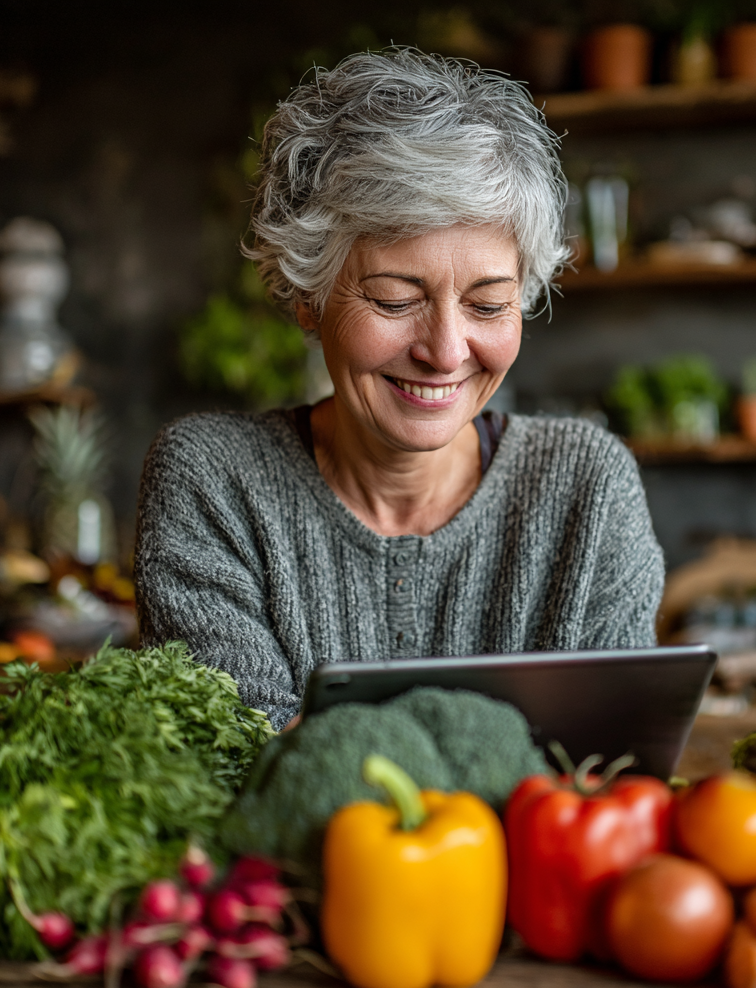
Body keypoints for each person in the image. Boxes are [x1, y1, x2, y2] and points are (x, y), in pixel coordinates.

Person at [134, 49, 664, 731]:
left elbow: (612, 776)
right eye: (393, 299)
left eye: (487, 304)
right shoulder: (215, 481)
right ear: (307, 298)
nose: (445, 351)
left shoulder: (585, 488)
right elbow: (238, 769)